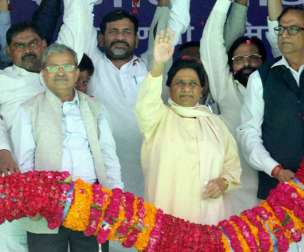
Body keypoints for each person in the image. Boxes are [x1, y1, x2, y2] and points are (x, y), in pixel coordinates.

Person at [238, 6, 304, 252]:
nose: (284, 34)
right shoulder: (261, 78)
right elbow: (248, 132)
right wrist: (274, 169)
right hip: (280, 188)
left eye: (293, 29)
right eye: (281, 29)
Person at [10, 43, 123, 252]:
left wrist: (116, 195)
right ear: (43, 74)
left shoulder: (95, 107)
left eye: (67, 67)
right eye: (53, 67)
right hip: (45, 206)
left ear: (77, 72)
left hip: (92, 204)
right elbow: (24, 162)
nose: (60, 73)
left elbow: (109, 156)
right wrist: (30, 200)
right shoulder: (28, 110)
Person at [0, 0, 92, 251]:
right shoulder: (3, 81)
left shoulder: (59, 73)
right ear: (9, 51)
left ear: (44, 45)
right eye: (19, 46)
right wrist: (3, 150)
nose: (28, 50)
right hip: (14, 183)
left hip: (69, 186)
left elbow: (77, 24)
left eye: (33, 43)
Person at [86, 0, 191, 198]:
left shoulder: (152, 65)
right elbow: (78, 15)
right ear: (101, 39)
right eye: (113, 31)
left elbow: (178, 22)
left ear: (136, 39)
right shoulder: (92, 66)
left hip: (151, 174)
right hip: (107, 179)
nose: (119, 37)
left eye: (126, 32)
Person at [135, 29, 241, 225]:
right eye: (179, 83)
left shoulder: (216, 124)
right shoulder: (157, 118)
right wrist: (158, 64)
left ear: (201, 90)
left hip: (210, 219)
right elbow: (146, 102)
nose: (186, 88)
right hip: (167, 220)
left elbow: (232, 166)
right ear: (169, 88)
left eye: (193, 83)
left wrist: (223, 182)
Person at [200, 0, 266, 214]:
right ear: (230, 65)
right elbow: (211, 42)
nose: (247, 63)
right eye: (239, 59)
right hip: (232, 192)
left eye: (254, 58)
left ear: (264, 63)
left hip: (273, 190)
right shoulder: (226, 89)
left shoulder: (275, 89)